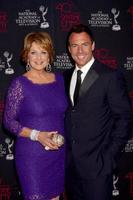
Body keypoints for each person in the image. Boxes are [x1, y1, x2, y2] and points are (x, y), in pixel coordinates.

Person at [64, 24, 132, 200]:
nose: (80, 50)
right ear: (69, 48)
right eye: (74, 45)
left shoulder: (109, 76)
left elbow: (124, 118)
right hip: (70, 168)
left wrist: (108, 158)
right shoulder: (65, 76)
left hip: (98, 168)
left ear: (93, 45)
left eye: (84, 44)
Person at [3, 32, 68, 200]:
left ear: (50, 55)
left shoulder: (60, 80)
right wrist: (37, 135)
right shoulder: (19, 84)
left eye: (43, 52)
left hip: (57, 153)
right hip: (32, 157)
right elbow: (8, 122)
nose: (39, 58)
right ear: (26, 55)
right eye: (33, 52)